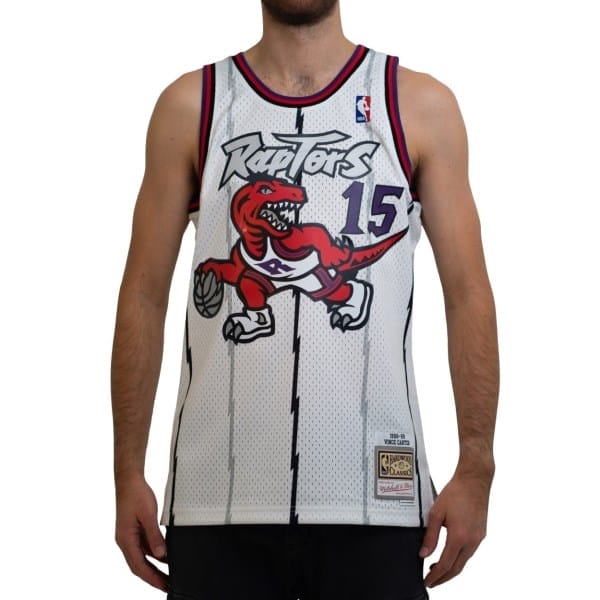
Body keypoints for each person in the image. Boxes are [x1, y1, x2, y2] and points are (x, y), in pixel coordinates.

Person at [111, 1, 499, 598]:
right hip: (215, 501)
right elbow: (143, 295)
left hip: (378, 500)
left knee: (324, 279)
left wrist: (477, 465)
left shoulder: (418, 105)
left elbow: (467, 294)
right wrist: (126, 471)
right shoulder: (192, 105)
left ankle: (343, 296)